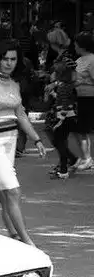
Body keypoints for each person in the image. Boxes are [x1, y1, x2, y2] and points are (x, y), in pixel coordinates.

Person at [0, 40, 47, 246]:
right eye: (5, 59)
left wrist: (37, 139)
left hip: (9, 143)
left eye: (13, 59)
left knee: (0, 195)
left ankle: (9, 235)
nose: (9, 63)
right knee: (13, 191)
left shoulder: (14, 84)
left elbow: (20, 114)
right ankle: (27, 241)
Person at [44, 60, 78, 179]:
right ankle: (72, 159)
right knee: (60, 142)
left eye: (55, 71)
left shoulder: (63, 87)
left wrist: (60, 120)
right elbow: (63, 99)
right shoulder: (68, 85)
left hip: (64, 118)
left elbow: (64, 105)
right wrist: (53, 93)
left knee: (59, 143)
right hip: (69, 117)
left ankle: (63, 170)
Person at [73, 32, 94, 171]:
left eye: (76, 44)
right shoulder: (79, 60)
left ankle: (87, 158)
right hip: (78, 97)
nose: (74, 47)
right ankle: (84, 156)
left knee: (84, 128)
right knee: (79, 129)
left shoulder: (92, 60)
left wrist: (83, 81)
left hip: (89, 98)